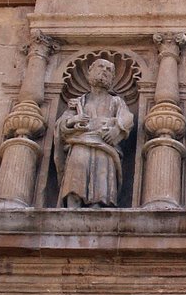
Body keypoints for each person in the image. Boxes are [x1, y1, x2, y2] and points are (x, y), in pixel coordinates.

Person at [54, 59, 134, 208]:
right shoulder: (79, 102)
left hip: (104, 144)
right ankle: (73, 204)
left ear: (112, 78)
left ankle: (98, 205)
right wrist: (75, 119)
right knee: (77, 170)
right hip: (80, 142)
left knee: (101, 175)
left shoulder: (116, 101)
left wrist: (117, 129)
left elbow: (128, 118)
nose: (104, 71)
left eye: (109, 70)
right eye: (100, 67)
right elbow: (62, 124)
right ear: (89, 71)